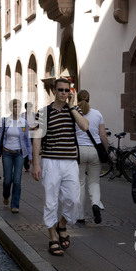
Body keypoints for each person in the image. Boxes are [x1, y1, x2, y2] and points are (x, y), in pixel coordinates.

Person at [32, 78, 89, 257]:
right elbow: (37, 138)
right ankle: (52, 238)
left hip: (70, 162)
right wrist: (35, 163)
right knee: (50, 201)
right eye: (61, 90)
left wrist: (72, 107)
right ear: (54, 91)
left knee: (74, 200)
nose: (64, 93)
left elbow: (85, 126)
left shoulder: (74, 110)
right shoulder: (44, 112)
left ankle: (62, 225)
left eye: (67, 90)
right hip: (50, 161)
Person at [75, 90, 109, 224]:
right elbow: (103, 136)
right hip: (95, 151)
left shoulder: (75, 114)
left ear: (77, 99)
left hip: (79, 151)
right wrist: (105, 151)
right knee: (94, 181)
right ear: (89, 99)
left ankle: (80, 215)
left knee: (80, 183)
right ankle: (95, 203)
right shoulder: (97, 114)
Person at [0, 99, 32, 214]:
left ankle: (15, 205)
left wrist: (30, 156)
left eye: (19, 107)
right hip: (7, 153)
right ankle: (6, 195)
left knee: (16, 180)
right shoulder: (5, 121)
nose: (17, 109)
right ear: (11, 108)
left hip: (19, 154)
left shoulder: (23, 122)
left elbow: (27, 140)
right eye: (15, 107)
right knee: (7, 180)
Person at [21, 101, 37, 172]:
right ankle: (27, 166)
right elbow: (21, 126)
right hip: (26, 135)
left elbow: (38, 124)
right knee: (26, 150)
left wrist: (33, 127)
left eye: (30, 107)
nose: (29, 108)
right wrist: (27, 128)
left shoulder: (34, 115)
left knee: (34, 150)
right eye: (28, 107)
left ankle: (34, 165)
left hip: (33, 135)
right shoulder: (22, 115)